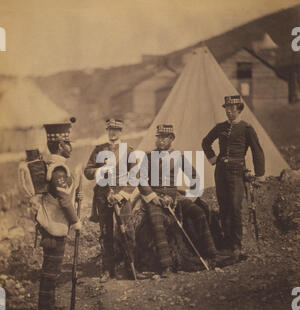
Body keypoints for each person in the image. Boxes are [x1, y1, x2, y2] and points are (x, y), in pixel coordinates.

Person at [138, 124, 229, 277]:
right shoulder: (148, 157)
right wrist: (154, 198)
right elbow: (140, 179)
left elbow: (194, 177)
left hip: (175, 196)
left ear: (171, 139)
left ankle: (212, 256)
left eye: (164, 137)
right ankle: (166, 265)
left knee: (198, 212)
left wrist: (190, 197)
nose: (160, 141)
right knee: (156, 220)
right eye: (158, 137)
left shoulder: (178, 156)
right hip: (155, 197)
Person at [202, 95, 265, 259]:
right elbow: (205, 142)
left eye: (232, 109)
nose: (229, 112)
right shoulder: (220, 127)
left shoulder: (246, 128)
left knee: (235, 207)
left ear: (239, 110)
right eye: (227, 109)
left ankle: (237, 245)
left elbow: (257, 151)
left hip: (237, 171)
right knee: (224, 207)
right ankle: (227, 244)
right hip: (221, 171)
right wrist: (213, 158)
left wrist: (260, 175)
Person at [36, 121, 82, 310]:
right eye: (67, 142)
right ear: (60, 145)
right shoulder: (58, 169)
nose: (70, 146)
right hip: (53, 226)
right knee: (51, 270)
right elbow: (63, 199)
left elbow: (65, 195)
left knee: (51, 268)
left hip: (53, 225)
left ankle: (49, 306)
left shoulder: (55, 166)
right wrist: (75, 221)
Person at [84, 118, 135, 282]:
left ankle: (130, 267)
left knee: (127, 231)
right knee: (106, 232)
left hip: (121, 195)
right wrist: (100, 170)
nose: (113, 132)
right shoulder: (99, 150)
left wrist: (122, 195)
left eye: (116, 130)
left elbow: (135, 177)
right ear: (107, 131)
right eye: (110, 129)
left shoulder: (129, 151)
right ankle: (108, 270)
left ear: (121, 132)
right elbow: (87, 171)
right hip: (103, 194)